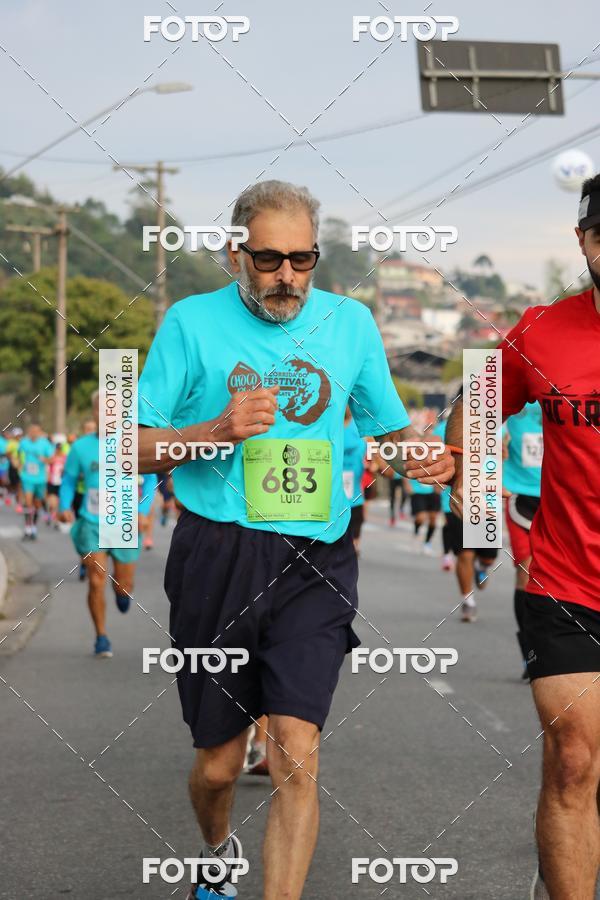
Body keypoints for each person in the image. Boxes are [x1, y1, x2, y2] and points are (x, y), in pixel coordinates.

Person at [137, 180, 455, 900]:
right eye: (269, 258)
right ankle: (217, 850)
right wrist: (211, 431)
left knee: (295, 755)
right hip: (218, 552)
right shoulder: (190, 324)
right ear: (235, 254)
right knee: (219, 766)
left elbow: (388, 429)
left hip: (317, 557)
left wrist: (424, 459)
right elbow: (129, 446)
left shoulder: (351, 324)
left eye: (302, 259)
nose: (286, 276)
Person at [446, 173, 600, 900]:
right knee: (573, 759)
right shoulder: (541, 330)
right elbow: (474, 409)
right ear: (583, 242)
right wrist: (468, 486)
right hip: (567, 583)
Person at [58, 394, 143, 658]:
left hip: (124, 523)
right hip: (92, 521)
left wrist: (142, 509)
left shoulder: (133, 444)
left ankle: (122, 593)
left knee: (124, 583)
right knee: (96, 580)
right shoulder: (81, 447)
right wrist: (63, 505)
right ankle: (101, 637)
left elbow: (150, 480)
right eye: (101, 410)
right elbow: (69, 480)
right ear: (94, 413)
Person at [503, 402, 543, 677]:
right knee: (526, 572)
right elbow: (485, 418)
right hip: (518, 493)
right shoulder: (515, 377)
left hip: (557, 494)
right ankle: (529, 652)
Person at [18, 424, 53, 540]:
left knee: (37, 503)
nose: (33, 433)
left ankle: (34, 526)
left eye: (36, 431)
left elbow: (52, 459)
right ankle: (28, 528)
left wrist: (45, 459)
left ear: (39, 432)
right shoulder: (24, 442)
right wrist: (19, 464)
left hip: (40, 478)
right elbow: (18, 453)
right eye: (31, 431)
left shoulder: (45, 443)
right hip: (27, 477)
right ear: (28, 432)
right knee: (28, 502)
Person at [342, 407, 367, 554]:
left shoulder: (358, 426)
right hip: (333, 485)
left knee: (356, 520)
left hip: (355, 487)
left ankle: (353, 547)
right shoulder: (332, 425)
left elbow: (372, 447)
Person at [46, 439, 68, 526]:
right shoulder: (52, 458)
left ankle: (56, 520)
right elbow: (47, 468)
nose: (58, 450)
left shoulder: (65, 458)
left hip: (62, 483)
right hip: (52, 482)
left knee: (59, 503)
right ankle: (51, 515)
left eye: (60, 449)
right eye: (57, 448)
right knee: (52, 503)